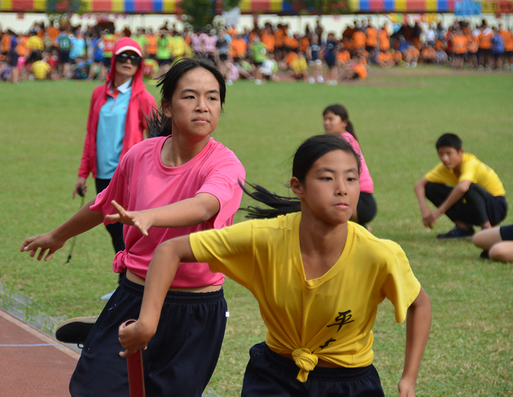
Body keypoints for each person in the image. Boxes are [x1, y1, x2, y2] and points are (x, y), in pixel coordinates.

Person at [119, 134, 432, 397]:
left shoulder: (379, 254)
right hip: (274, 377)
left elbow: (419, 303)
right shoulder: (265, 239)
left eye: (351, 178)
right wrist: (147, 322)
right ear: (298, 187)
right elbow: (170, 250)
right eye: (327, 178)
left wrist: (408, 378)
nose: (342, 188)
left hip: (350, 383)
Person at [21, 56, 245, 397]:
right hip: (133, 296)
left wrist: (152, 215)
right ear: (167, 107)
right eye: (190, 96)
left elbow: (205, 205)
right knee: (93, 390)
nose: (203, 106)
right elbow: (105, 205)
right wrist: (57, 236)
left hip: (195, 311)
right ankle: (104, 335)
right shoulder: (140, 155)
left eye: (212, 97)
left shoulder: (226, 164)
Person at [74, 37, 157, 254]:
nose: (128, 62)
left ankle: (127, 280)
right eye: (123, 56)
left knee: (123, 229)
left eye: (134, 58)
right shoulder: (98, 94)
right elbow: (90, 135)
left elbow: (157, 140)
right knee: (111, 225)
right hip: (101, 174)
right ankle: (126, 278)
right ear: (114, 60)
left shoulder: (143, 97)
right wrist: (83, 173)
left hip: (128, 175)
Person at [414, 133, 507, 239]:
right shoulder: (444, 168)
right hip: (472, 207)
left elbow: (463, 187)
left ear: (460, 152)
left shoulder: (470, 163)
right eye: (441, 154)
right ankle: (463, 229)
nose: (445, 158)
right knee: (430, 188)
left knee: (469, 187)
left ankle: (487, 229)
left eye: (449, 153)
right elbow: (419, 185)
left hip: (496, 208)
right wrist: (424, 209)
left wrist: (440, 211)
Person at [322, 104, 376, 228]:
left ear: (344, 123)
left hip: (362, 200)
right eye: (325, 119)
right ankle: (360, 228)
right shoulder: (345, 139)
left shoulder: (344, 141)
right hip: (363, 200)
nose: (326, 123)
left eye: (331, 119)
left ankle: (357, 227)